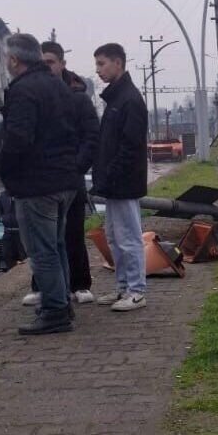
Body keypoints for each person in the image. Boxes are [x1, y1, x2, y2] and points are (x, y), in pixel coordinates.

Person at [0, 33, 81, 335]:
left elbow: (18, 139)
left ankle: (55, 311)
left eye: (6, 56)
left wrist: (3, 168)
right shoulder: (58, 86)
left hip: (37, 184)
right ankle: (60, 302)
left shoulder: (23, 90)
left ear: (15, 59)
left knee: (42, 250)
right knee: (56, 246)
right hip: (65, 180)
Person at [38, 41, 99, 305]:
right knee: (45, 236)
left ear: (62, 63)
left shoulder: (78, 97)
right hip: (43, 178)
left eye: (50, 61)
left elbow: (92, 136)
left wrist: (78, 166)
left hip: (71, 176)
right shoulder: (35, 94)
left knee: (73, 231)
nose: (46, 67)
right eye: (42, 62)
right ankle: (45, 287)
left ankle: (80, 283)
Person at [91, 43, 148, 312]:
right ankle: (123, 287)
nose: (98, 70)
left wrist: (111, 173)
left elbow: (129, 146)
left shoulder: (129, 100)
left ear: (118, 63)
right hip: (114, 183)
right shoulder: (117, 98)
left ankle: (136, 291)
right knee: (114, 236)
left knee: (129, 237)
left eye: (102, 64)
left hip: (124, 183)